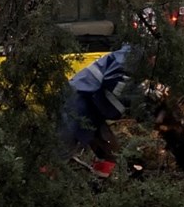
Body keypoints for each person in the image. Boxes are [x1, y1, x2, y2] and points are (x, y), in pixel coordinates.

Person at [59, 44, 143, 178]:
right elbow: (113, 82)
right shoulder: (134, 54)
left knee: (111, 151)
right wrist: (138, 98)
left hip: (92, 107)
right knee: (59, 152)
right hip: (79, 102)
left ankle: (100, 183)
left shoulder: (138, 56)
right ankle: (43, 184)